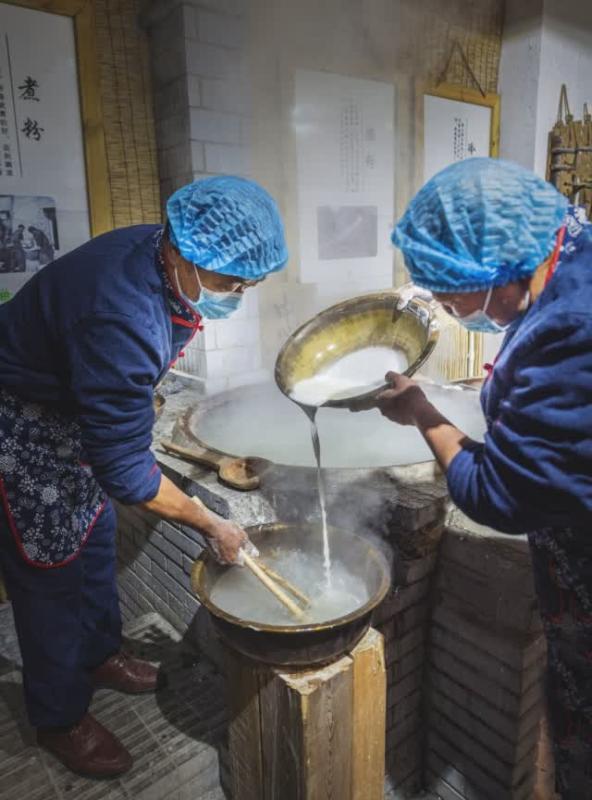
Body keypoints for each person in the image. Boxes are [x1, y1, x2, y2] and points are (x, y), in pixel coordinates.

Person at [0, 176, 288, 778]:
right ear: (183, 252)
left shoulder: (156, 251)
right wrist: (212, 523)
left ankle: (99, 655)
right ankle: (59, 716)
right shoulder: (119, 313)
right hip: (23, 426)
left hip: (69, 418)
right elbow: (129, 475)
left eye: (248, 284)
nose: (238, 295)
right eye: (231, 282)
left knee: (95, 539)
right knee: (51, 571)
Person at [375, 158, 592, 799]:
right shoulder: (566, 249)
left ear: (499, 270)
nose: (447, 309)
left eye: (452, 297)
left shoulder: (572, 329)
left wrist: (421, 411)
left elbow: (497, 495)